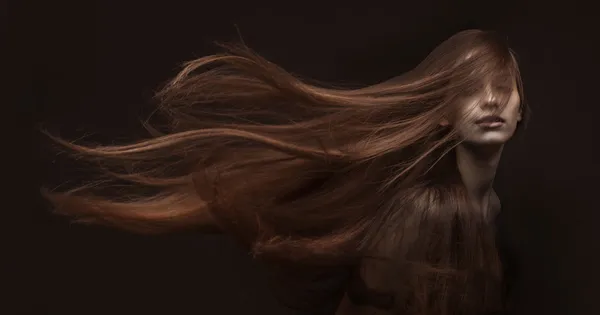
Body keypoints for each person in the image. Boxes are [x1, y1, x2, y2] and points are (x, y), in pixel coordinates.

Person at [42, 29, 529, 314]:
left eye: (503, 87)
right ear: (441, 109)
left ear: (520, 104)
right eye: (470, 88)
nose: (490, 100)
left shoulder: (491, 208)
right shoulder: (422, 209)